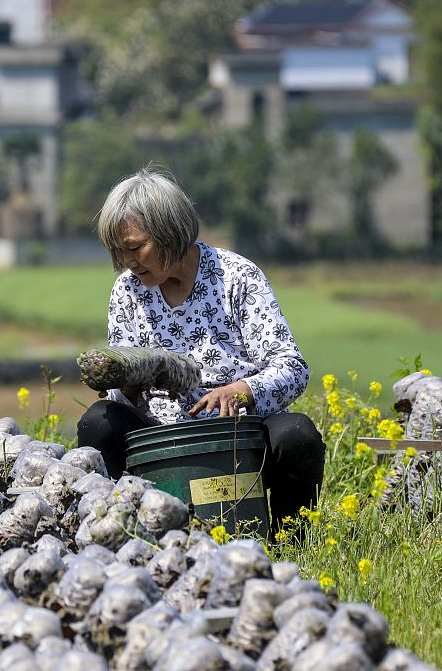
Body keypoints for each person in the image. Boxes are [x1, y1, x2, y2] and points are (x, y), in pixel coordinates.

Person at [76, 167, 324, 529]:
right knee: (99, 421)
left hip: (238, 430)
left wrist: (242, 390)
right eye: (118, 251)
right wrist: (125, 387)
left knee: (297, 434)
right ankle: (120, 531)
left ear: (170, 233)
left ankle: (291, 540)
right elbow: (119, 391)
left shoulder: (237, 276)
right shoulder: (128, 290)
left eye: (134, 248)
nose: (127, 262)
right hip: (159, 431)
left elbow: (292, 367)